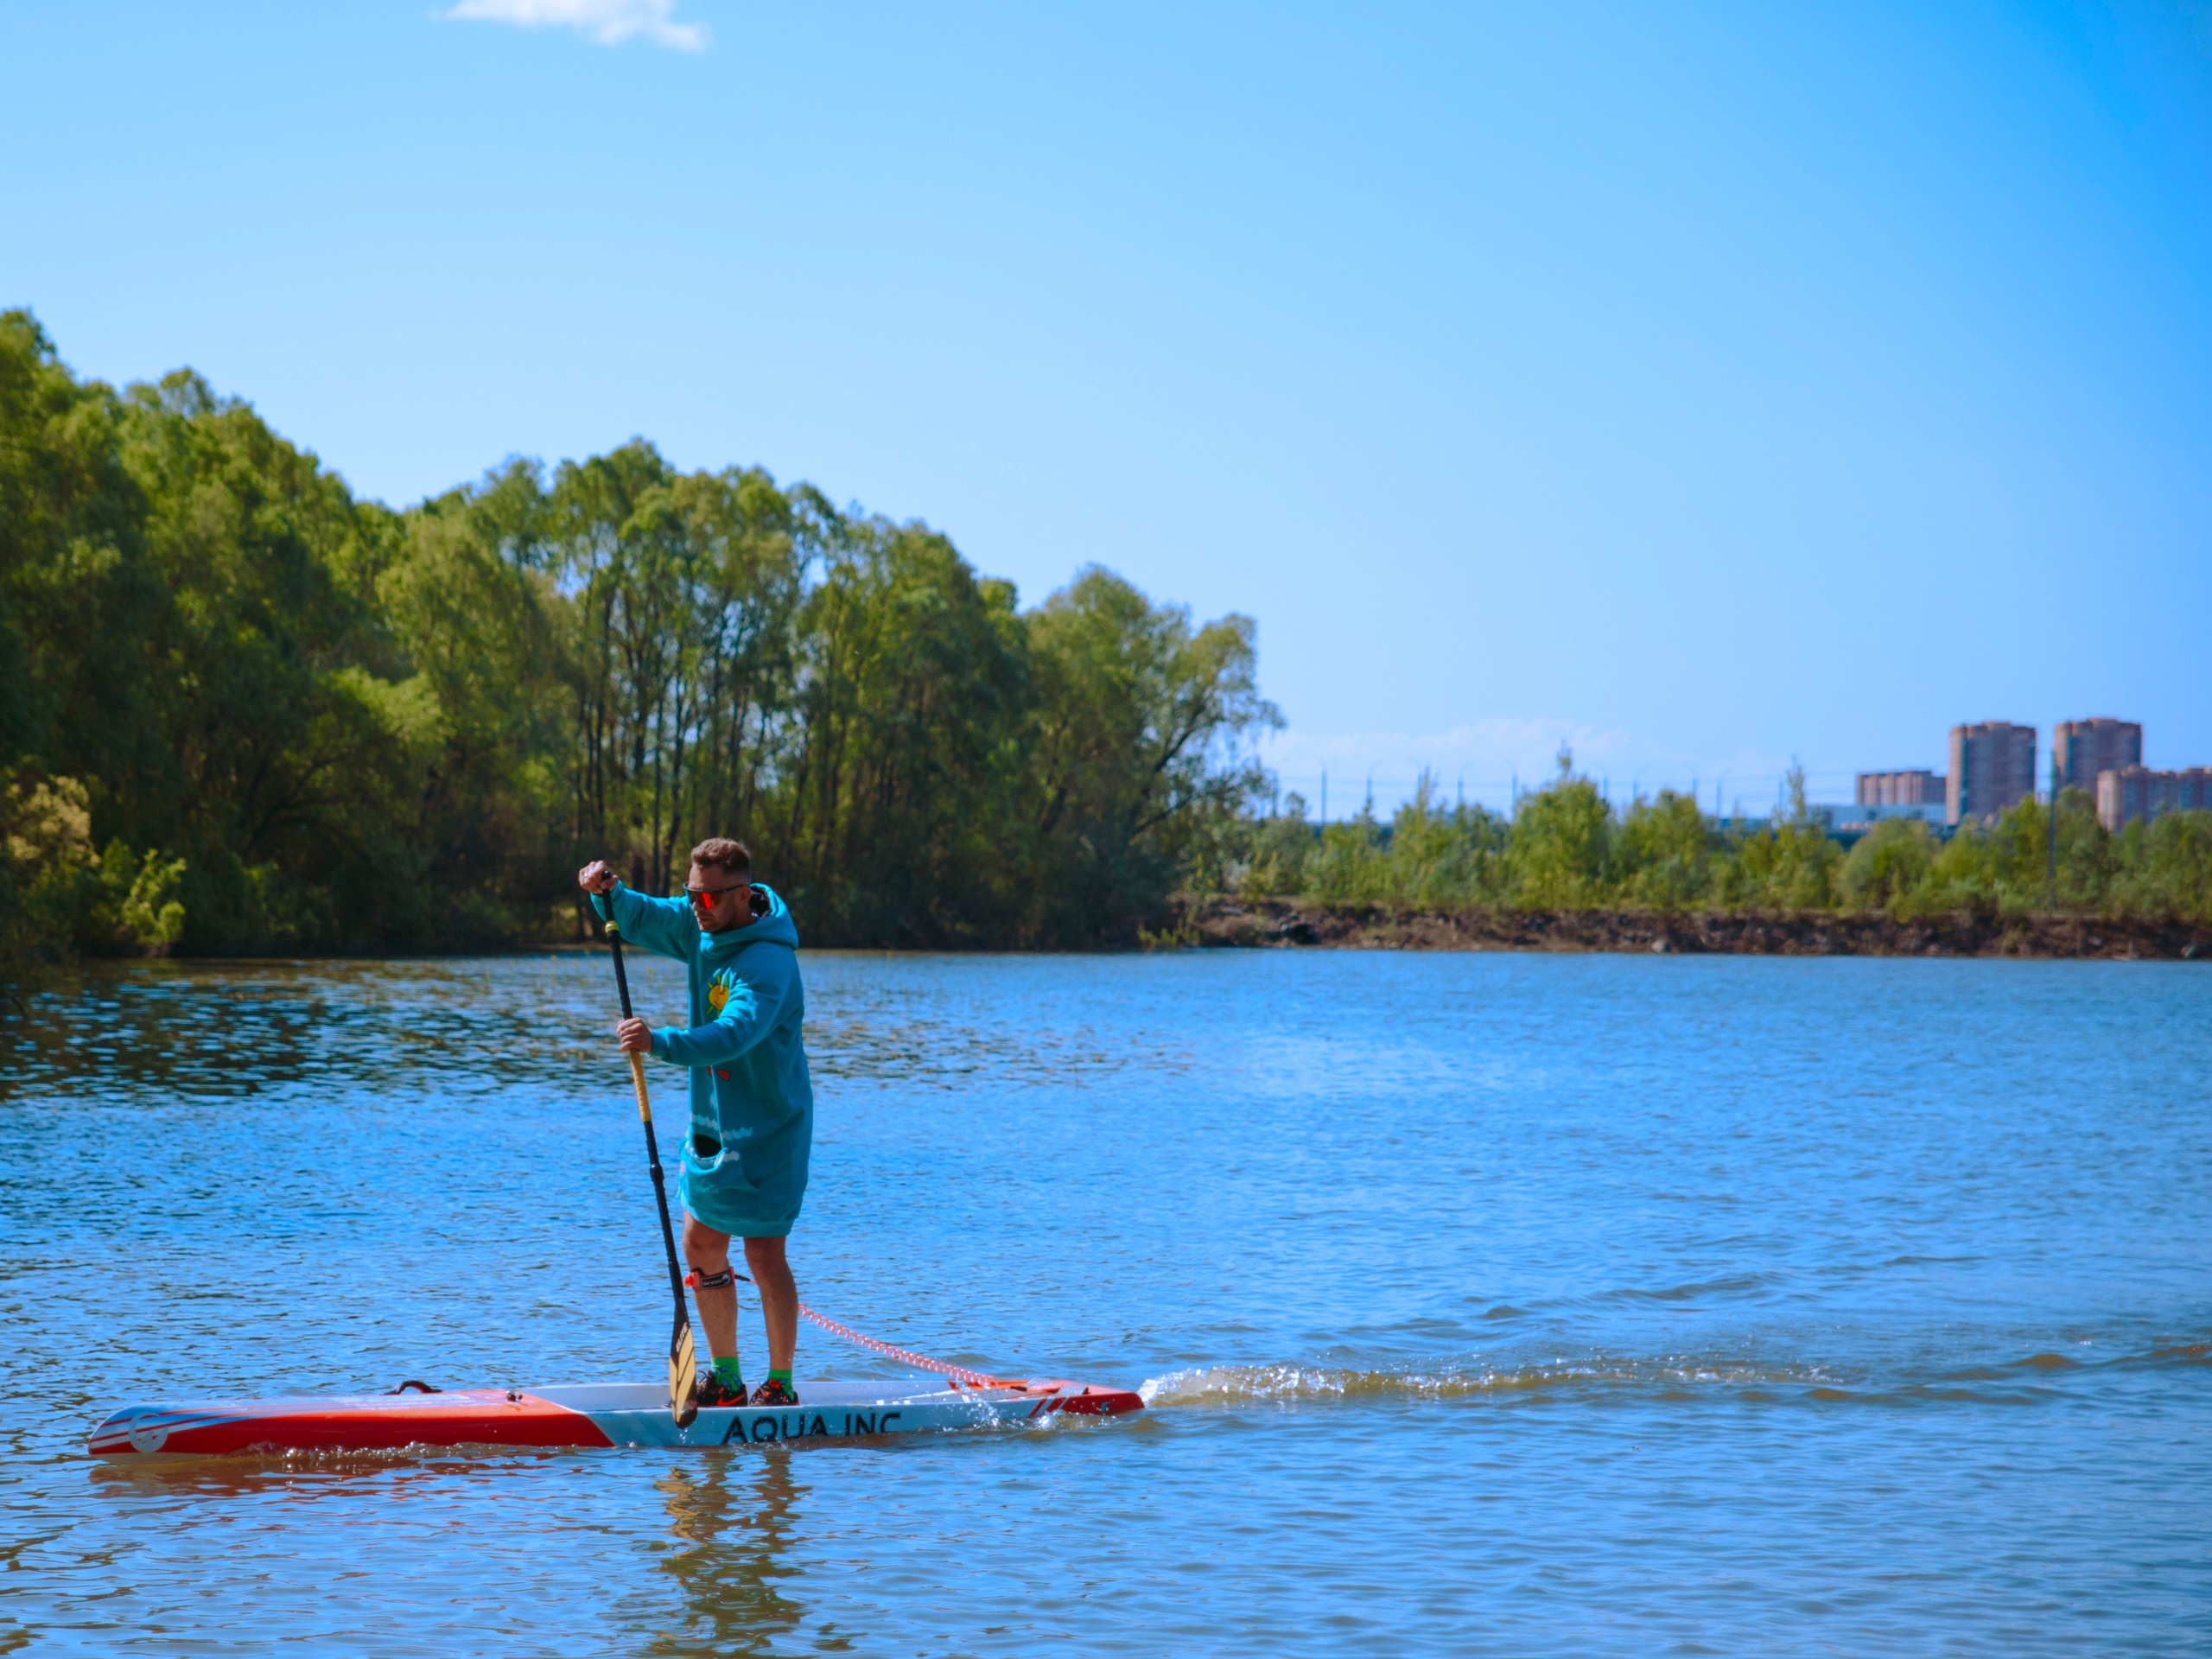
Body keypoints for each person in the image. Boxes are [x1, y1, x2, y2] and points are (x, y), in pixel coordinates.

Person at [579, 838, 814, 1408]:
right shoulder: (698, 922)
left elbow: (734, 1034)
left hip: (770, 1129)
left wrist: (659, 1042)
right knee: (701, 1244)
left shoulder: (769, 962)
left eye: (708, 897)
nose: (696, 907)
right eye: (691, 894)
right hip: (712, 1124)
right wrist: (609, 892)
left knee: (764, 1255)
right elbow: (643, 916)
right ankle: (726, 1379)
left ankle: (780, 1385)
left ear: (742, 895)